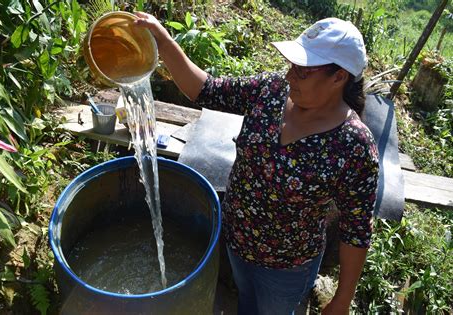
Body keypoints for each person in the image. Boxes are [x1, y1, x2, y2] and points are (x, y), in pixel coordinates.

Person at [134, 12, 379, 315]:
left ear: (339, 77)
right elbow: (206, 89)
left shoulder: (354, 146)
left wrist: (342, 299)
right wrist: (163, 40)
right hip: (236, 242)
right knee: (247, 302)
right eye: (292, 66)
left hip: (287, 268)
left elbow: (356, 230)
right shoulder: (271, 90)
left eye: (302, 72)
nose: (290, 76)